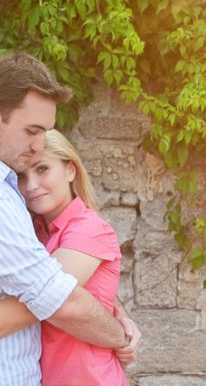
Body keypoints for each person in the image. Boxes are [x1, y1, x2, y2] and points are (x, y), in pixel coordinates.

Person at [0, 51, 140, 385]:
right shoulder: (19, 211)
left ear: (71, 170)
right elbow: (59, 296)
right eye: (31, 130)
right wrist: (119, 332)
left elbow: (59, 287)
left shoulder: (83, 229)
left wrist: (110, 306)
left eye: (44, 169)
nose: (36, 146)